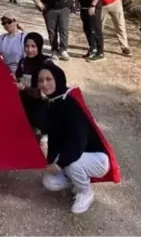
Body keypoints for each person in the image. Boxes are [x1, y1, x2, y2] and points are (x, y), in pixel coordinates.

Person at [38, 64, 110, 214]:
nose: (44, 84)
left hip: (95, 157)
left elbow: (79, 142)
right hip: (74, 154)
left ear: (58, 79)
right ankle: (75, 181)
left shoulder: (70, 104)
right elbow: (54, 138)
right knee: (49, 181)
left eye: (48, 79)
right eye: (40, 80)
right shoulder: (52, 103)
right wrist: (51, 161)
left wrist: (60, 164)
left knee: (72, 164)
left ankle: (85, 192)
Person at [14, 32, 51, 139]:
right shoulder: (22, 62)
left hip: (41, 108)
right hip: (24, 105)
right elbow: (19, 78)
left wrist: (25, 88)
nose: (29, 50)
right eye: (27, 46)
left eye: (33, 46)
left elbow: (46, 92)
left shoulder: (46, 64)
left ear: (39, 46)